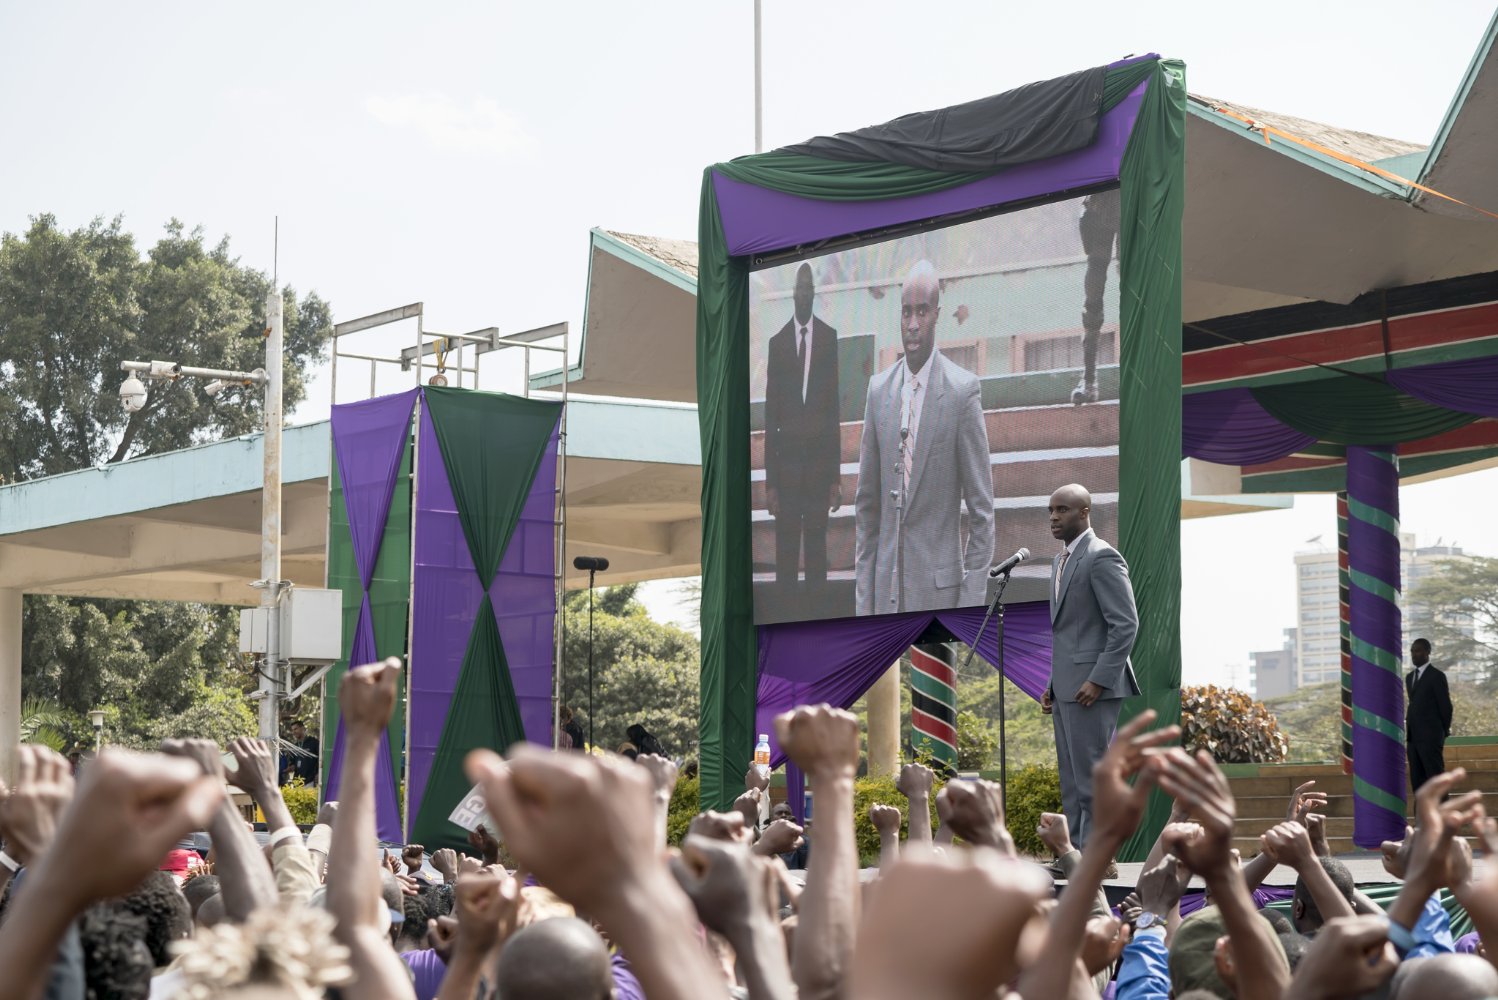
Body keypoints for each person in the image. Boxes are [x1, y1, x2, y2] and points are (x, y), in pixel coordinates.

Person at [854, 259, 994, 615]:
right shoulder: (877, 391)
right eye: (906, 313)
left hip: (941, 603)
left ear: (937, 315)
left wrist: (969, 607)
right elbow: (867, 511)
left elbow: (982, 514)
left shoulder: (963, 392)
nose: (913, 325)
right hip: (882, 605)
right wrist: (863, 608)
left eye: (922, 312)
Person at [1042, 483, 1140, 853]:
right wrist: (1053, 684)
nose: (1054, 517)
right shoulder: (1060, 560)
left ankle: (1100, 858)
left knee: (1092, 778)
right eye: (1051, 510)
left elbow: (1125, 624)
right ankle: (1076, 854)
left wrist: (1098, 679)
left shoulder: (1102, 557)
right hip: (1067, 686)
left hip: (1093, 687)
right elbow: (1070, 633)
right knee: (1072, 780)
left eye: (1063, 510)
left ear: (1085, 512)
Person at [764, 262, 843, 600]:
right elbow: (770, 418)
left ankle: (815, 618)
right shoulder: (778, 343)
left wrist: (835, 478)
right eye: (800, 288)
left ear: (814, 294)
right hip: (786, 474)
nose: (804, 294)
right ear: (792, 294)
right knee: (785, 558)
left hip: (818, 474)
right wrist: (770, 483)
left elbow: (833, 412)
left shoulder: (828, 338)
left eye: (810, 288)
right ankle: (786, 618)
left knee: (815, 556)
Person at [1407, 637, 1454, 792]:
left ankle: (1442, 814)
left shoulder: (1436, 676)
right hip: (1413, 739)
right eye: (1412, 651)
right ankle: (1421, 816)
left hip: (1431, 738)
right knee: (1418, 782)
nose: (1414, 654)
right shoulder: (1409, 678)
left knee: (1436, 780)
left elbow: (1446, 707)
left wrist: (1442, 732)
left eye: (1418, 650)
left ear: (1428, 652)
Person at [281, 719, 319, 786]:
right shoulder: (295, 746)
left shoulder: (314, 742)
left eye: (296, 729)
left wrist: (318, 774)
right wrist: (289, 769)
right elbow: (293, 764)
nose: (293, 732)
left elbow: (321, 760)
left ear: (303, 729)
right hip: (297, 782)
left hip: (310, 781)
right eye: (292, 730)